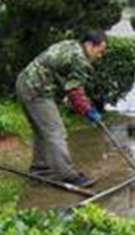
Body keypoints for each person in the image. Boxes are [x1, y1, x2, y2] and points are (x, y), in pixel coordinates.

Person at [15, 30, 108, 187]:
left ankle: (40, 171)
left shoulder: (71, 45)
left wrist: (85, 108)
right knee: (56, 132)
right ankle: (68, 175)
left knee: (42, 132)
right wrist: (88, 111)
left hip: (24, 84)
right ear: (89, 45)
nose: (100, 55)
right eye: (100, 50)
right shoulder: (80, 59)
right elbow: (75, 93)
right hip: (37, 91)